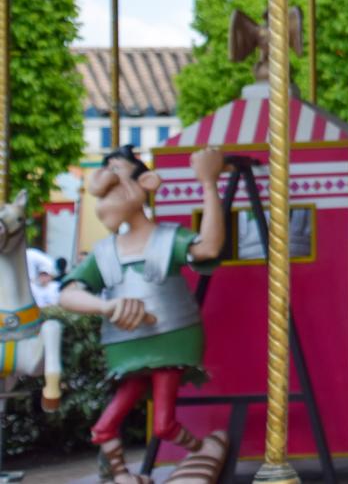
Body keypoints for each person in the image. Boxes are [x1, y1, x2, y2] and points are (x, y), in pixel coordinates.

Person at [59, 145, 229, 484]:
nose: (103, 205)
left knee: (163, 421)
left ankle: (196, 450)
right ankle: (123, 473)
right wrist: (106, 306)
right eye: (101, 197)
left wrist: (209, 184)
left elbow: (208, 248)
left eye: (114, 191)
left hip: (171, 336)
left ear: (147, 184)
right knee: (112, 419)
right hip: (125, 344)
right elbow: (67, 294)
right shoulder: (104, 252)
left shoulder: (166, 239)